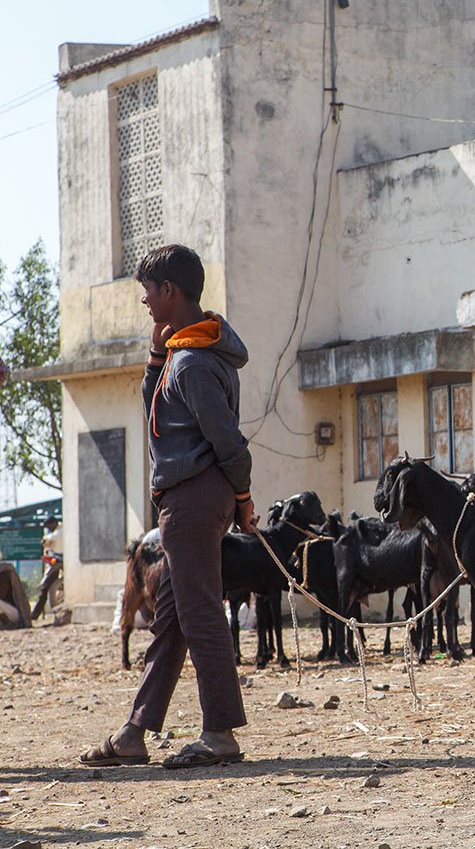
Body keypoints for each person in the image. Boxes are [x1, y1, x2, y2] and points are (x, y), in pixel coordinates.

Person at [80, 244, 255, 769]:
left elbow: (229, 443)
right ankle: (135, 730)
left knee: (200, 613)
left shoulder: (195, 363)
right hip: (196, 497)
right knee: (174, 618)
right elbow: (159, 410)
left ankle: (220, 734)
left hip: (194, 498)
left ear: (171, 293)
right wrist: (155, 357)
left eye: (148, 291)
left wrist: (244, 498)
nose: (143, 300)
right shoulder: (185, 354)